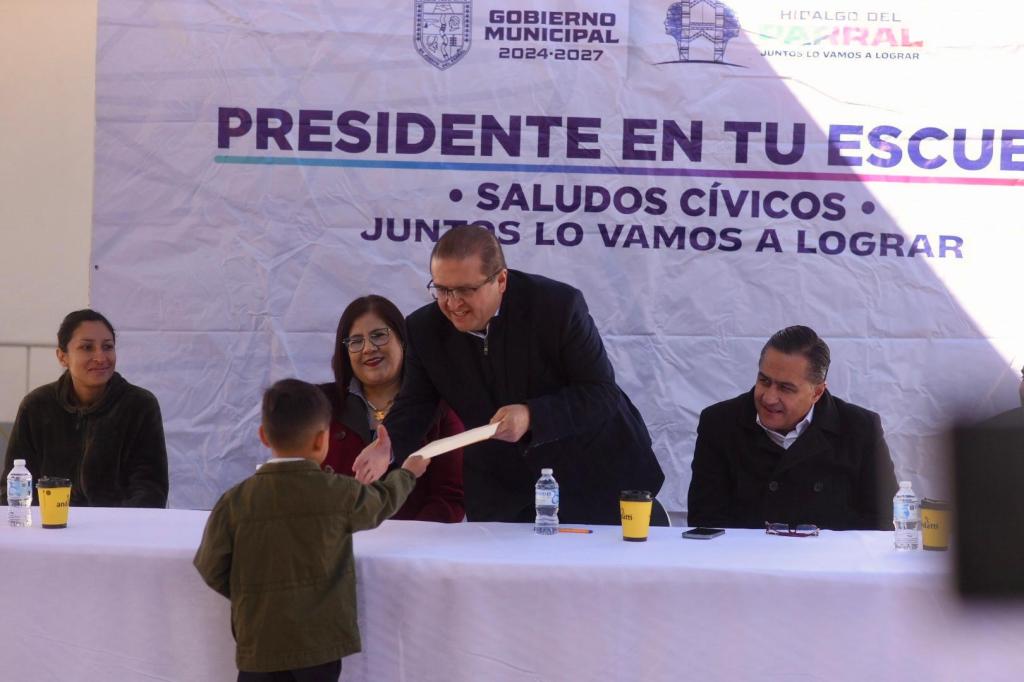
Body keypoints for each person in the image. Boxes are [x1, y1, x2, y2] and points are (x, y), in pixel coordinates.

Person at [353, 225, 664, 524]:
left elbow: (600, 393)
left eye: (466, 290)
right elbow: (416, 404)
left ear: (500, 280)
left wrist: (531, 415)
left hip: (595, 481)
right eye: (442, 289)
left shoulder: (557, 307)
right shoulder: (424, 329)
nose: (452, 303)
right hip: (504, 497)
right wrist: (388, 444)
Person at [193, 378, 424, 681]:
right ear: (321, 440)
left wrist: (249, 593)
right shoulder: (338, 492)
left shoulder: (234, 501)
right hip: (320, 644)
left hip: (259, 640)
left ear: (263, 436)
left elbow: (210, 565)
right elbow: (382, 502)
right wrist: (407, 474)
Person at [687, 325, 898, 530]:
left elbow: (882, 521)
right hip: (745, 561)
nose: (769, 398)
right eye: (764, 380)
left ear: (817, 393)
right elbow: (705, 519)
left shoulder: (860, 429)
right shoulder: (719, 423)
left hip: (830, 562)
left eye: (786, 388)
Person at [1, 309, 168, 508]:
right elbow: (14, 486)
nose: (100, 357)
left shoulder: (140, 405)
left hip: (118, 531)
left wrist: (116, 528)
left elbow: (150, 488)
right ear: (62, 357)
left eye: (108, 347)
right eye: (87, 347)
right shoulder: (37, 405)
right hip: (48, 529)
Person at [320, 295, 464, 522]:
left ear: (403, 341)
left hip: (415, 549)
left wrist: (408, 542)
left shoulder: (441, 407)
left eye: (379, 335)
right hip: (339, 543)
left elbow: (449, 496)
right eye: (356, 341)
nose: (368, 348)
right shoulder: (320, 406)